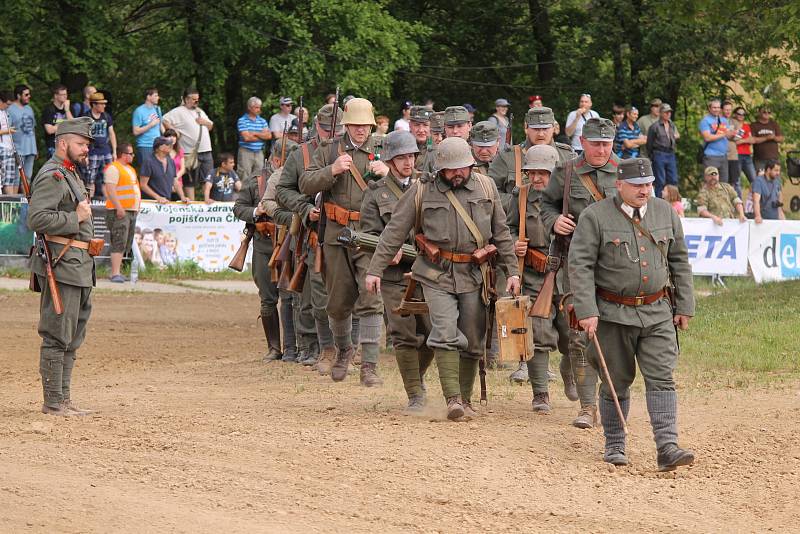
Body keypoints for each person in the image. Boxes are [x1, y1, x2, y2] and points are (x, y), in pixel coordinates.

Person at [365, 137, 520, 420]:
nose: (457, 173)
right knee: (445, 332)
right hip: (436, 274)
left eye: (462, 168)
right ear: (440, 170)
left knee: (473, 339)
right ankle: (453, 400)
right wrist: (375, 269)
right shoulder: (422, 191)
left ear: (472, 165)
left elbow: (502, 233)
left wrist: (512, 271)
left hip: (475, 274)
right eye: (451, 170)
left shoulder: (486, 187)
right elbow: (394, 232)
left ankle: (467, 398)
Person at [569, 157, 696, 471]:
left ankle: (667, 446)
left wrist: (684, 305)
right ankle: (615, 444)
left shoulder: (665, 212)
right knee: (616, 380)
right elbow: (580, 266)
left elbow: (680, 261)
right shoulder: (594, 217)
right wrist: (586, 310)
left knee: (662, 377)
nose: (645, 190)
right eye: (638, 185)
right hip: (612, 314)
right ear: (619, 184)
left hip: (657, 312)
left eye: (649, 184)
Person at [299, 98, 386, 386]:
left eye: (366, 125)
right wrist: (332, 170)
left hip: (370, 234)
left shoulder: (383, 149)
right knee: (337, 302)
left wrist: (389, 174)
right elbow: (305, 184)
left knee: (371, 295)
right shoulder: (327, 151)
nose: (361, 130)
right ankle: (344, 349)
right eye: (356, 125)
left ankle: (369, 365)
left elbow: (412, 185)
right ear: (346, 124)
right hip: (336, 234)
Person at [541, 117, 620, 429]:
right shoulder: (567, 171)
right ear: (583, 143)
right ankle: (587, 408)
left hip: (616, 264)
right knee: (577, 335)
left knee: (613, 335)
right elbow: (545, 204)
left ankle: (609, 397)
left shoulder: (627, 172)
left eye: (606, 143)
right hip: (576, 261)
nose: (601, 149)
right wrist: (553, 222)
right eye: (595, 143)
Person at [360, 131, 434, 410]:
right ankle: (415, 393)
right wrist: (388, 251)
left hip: (426, 272)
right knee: (404, 334)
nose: (407, 162)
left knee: (433, 333)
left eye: (411, 156)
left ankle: (417, 378)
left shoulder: (427, 188)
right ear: (389, 161)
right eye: (400, 157)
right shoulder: (376, 193)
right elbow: (367, 235)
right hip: (393, 276)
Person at [27, 116, 96, 416]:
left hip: (79, 265)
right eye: (81, 144)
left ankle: (64, 399)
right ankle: (54, 401)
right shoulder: (52, 175)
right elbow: (37, 218)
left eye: (87, 145)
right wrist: (76, 219)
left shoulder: (71, 174)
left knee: (73, 334)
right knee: (57, 333)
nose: (85, 150)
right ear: (64, 142)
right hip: (62, 265)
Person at [509, 144, 578, 413]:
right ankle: (540, 394)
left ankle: (569, 372)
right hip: (536, 275)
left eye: (543, 173)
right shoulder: (521, 197)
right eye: (532, 173)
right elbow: (506, 227)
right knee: (538, 333)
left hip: (568, 275)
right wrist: (515, 242)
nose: (537, 178)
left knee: (572, 333)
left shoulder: (570, 198)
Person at [276, 103, 343, 372]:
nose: (331, 134)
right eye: (327, 129)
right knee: (316, 294)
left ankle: (351, 347)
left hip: (346, 231)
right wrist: (305, 209)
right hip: (314, 232)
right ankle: (318, 346)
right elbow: (283, 191)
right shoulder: (300, 154)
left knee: (351, 293)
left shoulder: (351, 151)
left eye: (337, 129)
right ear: (317, 126)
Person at [233, 143, 283, 362]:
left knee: (294, 299)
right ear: (276, 160)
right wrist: (256, 211)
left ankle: (295, 347)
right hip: (265, 243)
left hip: (292, 244)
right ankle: (274, 347)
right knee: (268, 298)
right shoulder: (256, 181)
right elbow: (238, 208)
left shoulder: (299, 179)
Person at [260, 138, 301, 363]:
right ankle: (290, 348)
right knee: (286, 294)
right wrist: (285, 217)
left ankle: (307, 347)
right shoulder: (279, 176)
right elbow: (268, 201)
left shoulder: (308, 172)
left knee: (305, 297)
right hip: (286, 236)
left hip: (307, 235)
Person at [162, 88, 214, 200]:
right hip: (190, 151)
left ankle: (206, 201)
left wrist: (204, 122)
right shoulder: (178, 111)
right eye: (194, 99)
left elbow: (210, 126)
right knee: (190, 180)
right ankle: (192, 204)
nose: (196, 101)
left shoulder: (200, 111)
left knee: (208, 178)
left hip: (206, 150)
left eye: (197, 99)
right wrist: (174, 132)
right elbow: (164, 120)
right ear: (186, 99)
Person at [103, 143, 141, 283]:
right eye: (130, 153)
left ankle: (117, 272)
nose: (132, 156)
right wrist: (119, 207)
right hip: (119, 211)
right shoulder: (114, 168)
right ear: (123, 154)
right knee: (119, 240)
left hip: (129, 211)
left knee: (125, 242)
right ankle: (115, 273)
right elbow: (111, 190)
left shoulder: (130, 169)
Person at [84, 92, 117, 199]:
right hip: (92, 152)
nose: (104, 106)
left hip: (106, 151)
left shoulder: (106, 116)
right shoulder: (86, 116)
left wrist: (114, 151)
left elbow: (112, 133)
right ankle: (89, 205)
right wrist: (84, 154)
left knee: (108, 179)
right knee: (90, 180)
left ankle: (108, 203)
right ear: (94, 104)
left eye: (104, 103)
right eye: (101, 104)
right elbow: (82, 136)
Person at [646, 103, 680, 198]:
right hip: (659, 153)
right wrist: (653, 156)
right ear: (661, 113)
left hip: (670, 153)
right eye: (666, 112)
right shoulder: (654, 126)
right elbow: (649, 143)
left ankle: (673, 200)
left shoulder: (672, 125)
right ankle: (659, 201)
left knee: (673, 179)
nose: (668, 114)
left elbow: (675, 137)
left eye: (669, 112)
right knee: (660, 180)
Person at [699, 98, 733, 185]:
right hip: (711, 156)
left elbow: (728, 136)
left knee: (724, 184)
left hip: (723, 156)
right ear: (709, 108)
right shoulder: (705, 121)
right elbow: (707, 137)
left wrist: (734, 133)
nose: (716, 109)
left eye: (718, 107)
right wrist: (724, 134)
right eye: (714, 107)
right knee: (710, 183)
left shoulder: (723, 120)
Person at [237, 97, 272, 180]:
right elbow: (247, 138)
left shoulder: (262, 121)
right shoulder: (242, 120)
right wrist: (262, 136)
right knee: (244, 175)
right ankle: (244, 193)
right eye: (256, 107)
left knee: (259, 176)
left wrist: (255, 133)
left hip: (259, 152)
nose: (259, 109)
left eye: (259, 107)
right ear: (249, 107)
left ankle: (256, 193)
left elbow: (269, 136)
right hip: (245, 152)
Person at [140, 137, 182, 204]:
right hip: (150, 204)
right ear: (160, 147)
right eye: (167, 144)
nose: (171, 146)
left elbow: (175, 182)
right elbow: (143, 185)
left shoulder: (171, 161)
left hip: (166, 202)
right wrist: (158, 197)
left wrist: (183, 197)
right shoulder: (148, 162)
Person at [8, 85, 37, 180]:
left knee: (28, 177)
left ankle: (26, 195)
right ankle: (15, 196)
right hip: (18, 148)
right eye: (26, 94)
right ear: (18, 95)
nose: (29, 96)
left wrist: (35, 147)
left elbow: (33, 128)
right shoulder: (10, 109)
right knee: (16, 178)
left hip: (31, 148)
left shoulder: (29, 108)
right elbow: (7, 130)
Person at [132, 88, 163, 167]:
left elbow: (160, 125)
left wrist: (167, 138)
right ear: (148, 97)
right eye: (155, 96)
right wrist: (150, 125)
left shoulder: (157, 109)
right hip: (145, 146)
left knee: (157, 172)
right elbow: (135, 131)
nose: (158, 97)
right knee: (146, 172)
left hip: (158, 145)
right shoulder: (139, 111)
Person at [40, 84, 74, 158]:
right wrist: (65, 124)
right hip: (54, 146)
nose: (65, 96)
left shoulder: (69, 109)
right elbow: (49, 130)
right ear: (56, 96)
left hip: (67, 146)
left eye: (66, 94)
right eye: (63, 94)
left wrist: (67, 110)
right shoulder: (49, 110)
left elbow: (73, 126)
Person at [750, 106, 784, 171]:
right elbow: (752, 140)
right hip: (759, 159)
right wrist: (766, 138)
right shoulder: (753, 125)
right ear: (759, 112)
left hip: (774, 158)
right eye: (764, 112)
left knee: (775, 179)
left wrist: (774, 137)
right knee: (760, 179)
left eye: (769, 112)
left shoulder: (774, 124)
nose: (767, 114)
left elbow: (781, 138)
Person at [722, 101, 742, 198]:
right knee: (722, 181)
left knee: (733, 181)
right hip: (721, 155)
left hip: (733, 156)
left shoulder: (735, 122)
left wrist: (727, 134)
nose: (728, 111)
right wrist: (731, 133)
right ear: (722, 110)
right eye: (726, 109)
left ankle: (732, 203)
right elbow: (718, 135)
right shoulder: (718, 121)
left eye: (729, 109)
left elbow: (739, 136)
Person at [733, 107, 757, 186]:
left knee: (754, 180)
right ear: (735, 114)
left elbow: (752, 140)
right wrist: (746, 140)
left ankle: (756, 198)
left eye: (743, 114)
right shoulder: (731, 125)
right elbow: (734, 142)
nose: (741, 116)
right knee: (737, 181)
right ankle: (737, 198)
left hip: (747, 155)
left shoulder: (746, 126)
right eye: (739, 114)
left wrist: (742, 140)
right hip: (736, 155)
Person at [407, 105, 433, 179]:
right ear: (410, 125)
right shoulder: (402, 146)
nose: (421, 130)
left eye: (425, 125)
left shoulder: (438, 149)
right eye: (417, 125)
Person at [0, 91, 18, 195]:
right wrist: (8, 131)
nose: (8, 106)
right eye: (7, 104)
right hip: (2, 148)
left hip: (9, 147)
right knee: (4, 178)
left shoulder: (4, 112)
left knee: (10, 178)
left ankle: (10, 203)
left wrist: (8, 129)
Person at [163, 128, 186, 195]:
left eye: (174, 136)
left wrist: (175, 178)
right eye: (169, 136)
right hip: (165, 183)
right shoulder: (162, 152)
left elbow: (183, 169)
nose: (172, 138)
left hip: (178, 183)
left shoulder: (180, 151)